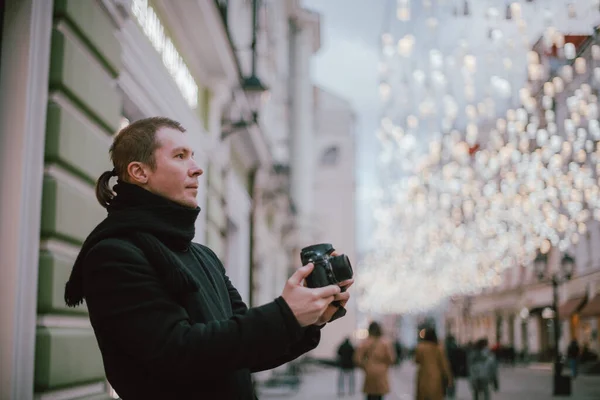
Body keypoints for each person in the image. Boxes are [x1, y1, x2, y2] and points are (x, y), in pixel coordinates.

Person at [63, 117, 353, 400]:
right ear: (139, 172)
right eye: (180, 156)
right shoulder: (114, 255)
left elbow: (242, 349)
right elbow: (179, 353)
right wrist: (285, 313)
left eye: (193, 156)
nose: (197, 169)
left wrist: (309, 319)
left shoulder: (203, 256)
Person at [353, 321, 396, 400]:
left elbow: (357, 358)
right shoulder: (385, 343)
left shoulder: (365, 342)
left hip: (369, 370)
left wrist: (364, 366)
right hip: (381, 371)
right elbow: (391, 359)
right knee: (379, 394)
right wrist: (385, 365)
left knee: (370, 394)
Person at [414, 327, 453, 400]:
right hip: (436, 376)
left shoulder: (420, 347)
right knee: (435, 396)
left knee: (423, 396)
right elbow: (444, 364)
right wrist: (449, 378)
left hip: (423, 376)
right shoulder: (438, 348)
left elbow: (416, 360)